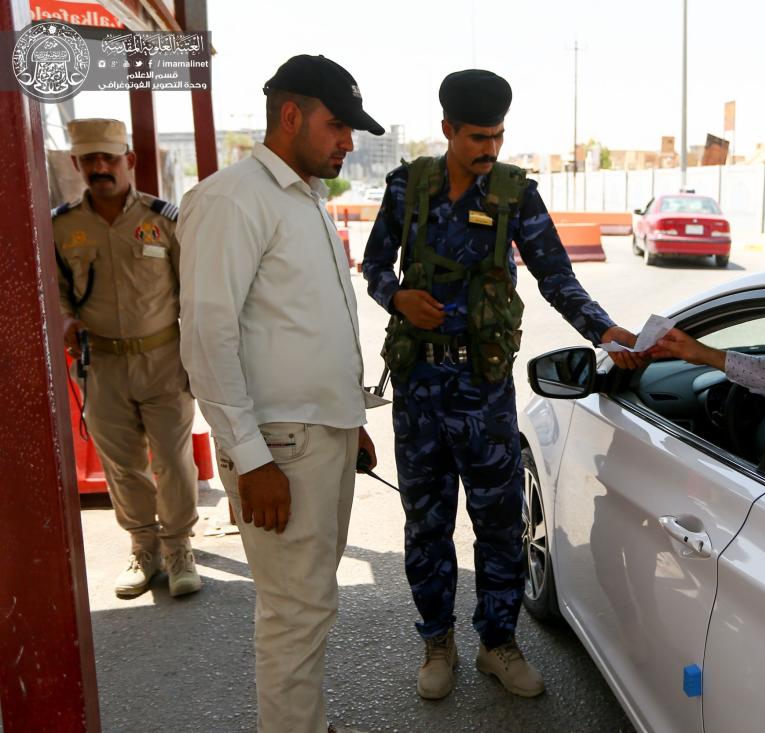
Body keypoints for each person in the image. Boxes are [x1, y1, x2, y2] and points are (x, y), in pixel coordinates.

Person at [363, 68, 643, 701]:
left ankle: (498, 644)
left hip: (484, 387)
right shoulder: (408, 189)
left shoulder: (516, 195)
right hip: (419, 389)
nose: (489, 150)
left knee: (498, 522)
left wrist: (605, 331)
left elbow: (557, 279)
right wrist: (398, 297)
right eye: (477, 139)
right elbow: (374, 265)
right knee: (426, 523)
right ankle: (437, 643)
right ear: (448, 131)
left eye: (497, 136)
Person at [178, 55, 382, 733]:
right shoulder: (234, 198)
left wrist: (349, 418)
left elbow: (309, 323)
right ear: (290, 115)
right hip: (279, 447)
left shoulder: (303, 197)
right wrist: (251, 457)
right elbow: (207, 337)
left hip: (315, 435)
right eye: (336, 124)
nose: (348, 140)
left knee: (310, 604)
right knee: (294, 614)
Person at [52, 118, 201, 599]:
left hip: (163, 359)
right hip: (102, 365)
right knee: (122, 465)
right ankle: (144, 549)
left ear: (129, 161)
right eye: (90, 160)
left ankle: (179, 549)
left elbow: (194, 291)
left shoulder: (164, 220)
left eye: (109, 158)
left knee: (175, 463)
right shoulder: (61, 227)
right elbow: (54, 294)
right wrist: (64, 320)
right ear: (77, 164)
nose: (100, 168)